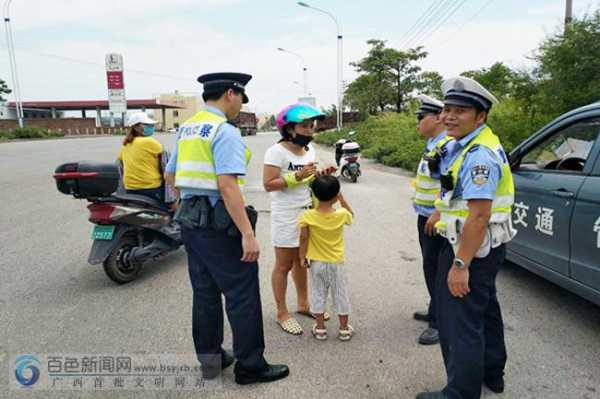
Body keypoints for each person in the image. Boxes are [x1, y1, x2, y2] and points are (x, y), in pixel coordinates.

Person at [163, 72, 289, 385]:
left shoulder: (188, 129)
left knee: (204, 293)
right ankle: (250, 366)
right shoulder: (224, 131)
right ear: (231, 93)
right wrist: (247, 233)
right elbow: (228, 186)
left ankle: (211, 360)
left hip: (192, 223)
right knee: (242, 293)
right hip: (220, 226)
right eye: (240, 99)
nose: (240, 106)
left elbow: (170, 175)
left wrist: (185, 206)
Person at [417, 77, 516, 399]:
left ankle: (461, 392)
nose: (449, 116)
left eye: (460, 110)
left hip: (471, 248)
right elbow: (451, 188)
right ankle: (491, 372)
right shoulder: (464, 145)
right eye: (446, 109)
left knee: (458, 321)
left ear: (481, 116)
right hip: (480, 246)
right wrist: (438, 211)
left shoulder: (479, 156)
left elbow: (478, 215)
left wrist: (460, 264)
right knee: (484, 310)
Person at [263, 103, 332, 335]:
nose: (310, 130)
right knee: (283, 264)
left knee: (301, 261)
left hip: (307, 213)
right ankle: (282, 312)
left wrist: (320, 175)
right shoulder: (276, 152)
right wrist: (296, 176)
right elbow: (269, 184)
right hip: (285, 215)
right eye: (305, 126)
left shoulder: (310, 152)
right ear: (289, 129)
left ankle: (304, 304)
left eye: (312, 126)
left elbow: (308, 180)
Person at [412, 94, 451, 346]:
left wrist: (438, 212)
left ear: (437, 118)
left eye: (420, 117)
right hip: (425, 215)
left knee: (437, 269)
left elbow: (449, 183)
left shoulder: (446, 146)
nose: (417, 123)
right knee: (430, 266)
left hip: (436, 219)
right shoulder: (432, 144)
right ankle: (435, 307)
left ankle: (439, 322)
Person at [298, 175, 354, 341]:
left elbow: (303, 238)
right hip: (336, 263)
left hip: (317, 263)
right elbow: (351, 214)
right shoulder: (342, 214)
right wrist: (342, 199)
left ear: (314, 194)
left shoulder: (307, 216)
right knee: (340, 294)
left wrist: (302, 257)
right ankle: (344, 329)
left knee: (317, 293)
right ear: (336, 195)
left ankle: (320, 329)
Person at [118, 112, 165, 202]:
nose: (151, 127)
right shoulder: (150, 142)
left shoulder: (126, 144)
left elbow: (120, 165)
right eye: (147, 124)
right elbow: (167, 165)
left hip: (130, 189)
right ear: (136, 127)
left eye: (151, 124)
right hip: (150, 188)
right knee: (174, 204)